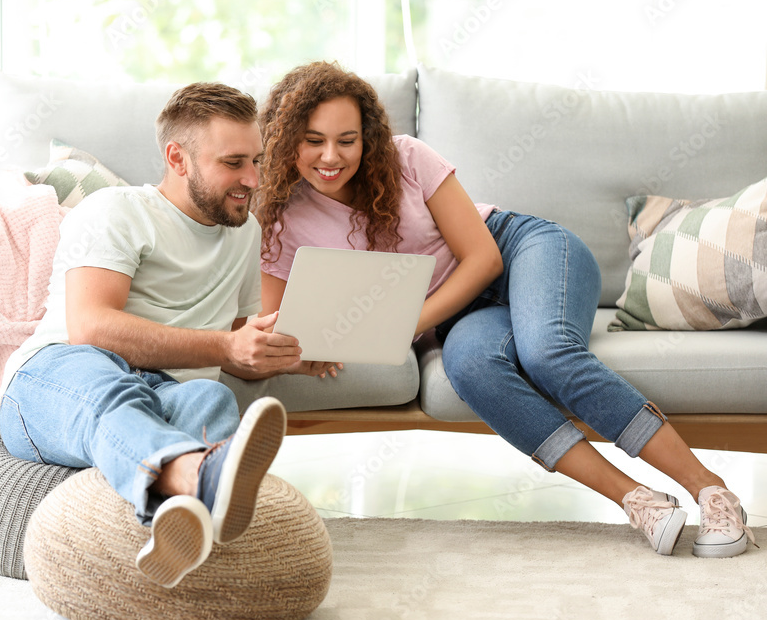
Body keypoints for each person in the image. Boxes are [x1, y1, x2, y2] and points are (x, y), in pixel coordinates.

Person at [255, 61, 756, 558]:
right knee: (470, 366)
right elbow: (285, 328)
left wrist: (406, 324)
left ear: (367, 137)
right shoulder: (280, 219)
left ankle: (712, 490)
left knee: (546, 352)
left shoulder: (405, 156)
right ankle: (638, 500)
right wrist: (312, 351)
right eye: (312, 139)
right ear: (285, 138)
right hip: (465, 316)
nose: (331, 155)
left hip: (523, 252)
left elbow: (483, 258)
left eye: (347, 139)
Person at [0, 82, 330, 588]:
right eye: (234, 163)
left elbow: (236, 338)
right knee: (114, 388)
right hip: (57, 374)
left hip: (164, 389)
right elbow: (91, 327)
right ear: (178, 158)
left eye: (257, 162)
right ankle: (198, 477)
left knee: (210, 397)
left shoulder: (245, 232)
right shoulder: (117, 212)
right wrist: (224, 346)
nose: (252, 180)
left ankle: (177, 531)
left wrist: (281, 352)